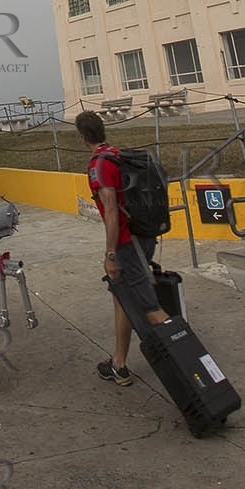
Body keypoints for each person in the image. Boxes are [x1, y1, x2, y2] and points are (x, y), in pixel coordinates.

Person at [75, 110, 169, 386]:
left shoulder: (99, 165)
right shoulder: (119, 155)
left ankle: (193, 365)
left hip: (128, 243)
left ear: (83, 137)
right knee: (122, 298)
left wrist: (110, 254)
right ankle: (119, 363)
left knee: (150, 308)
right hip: (146, 235)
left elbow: (112, 211)